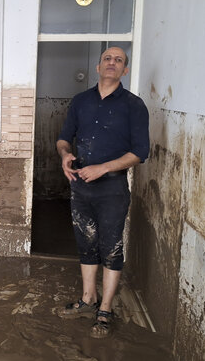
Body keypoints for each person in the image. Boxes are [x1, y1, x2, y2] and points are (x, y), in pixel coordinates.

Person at [55, 46, 149, 338]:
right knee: (86, 243)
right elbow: (63, 138)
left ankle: (105, 309)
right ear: (98, 67)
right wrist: (65, 156)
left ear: (125, 70)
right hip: (81, 185)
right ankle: (88, 299)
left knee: (111, 247)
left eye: (118, 60)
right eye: (107, 58)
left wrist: (104, 168)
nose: (112, 63)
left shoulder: (134, 105)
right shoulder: (81, 101)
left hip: (112, 188)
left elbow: (140, 153)